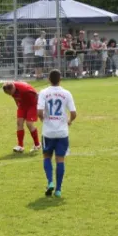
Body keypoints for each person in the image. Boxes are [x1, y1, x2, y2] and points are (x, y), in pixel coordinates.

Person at [37, 70, 77, 198]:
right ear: (60, 79)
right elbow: (73, 113)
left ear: (49, 79)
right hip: (62, 132)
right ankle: (58, 190)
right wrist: (69, 121)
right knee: (60, 159)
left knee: (46, 157)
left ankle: (50, 182)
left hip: (48, 132)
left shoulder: (43, 92)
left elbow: (39, 111)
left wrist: (44, 120)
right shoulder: (66, 93)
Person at [2, 81, 41, 153]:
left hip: (32, 105)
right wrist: (18, 106)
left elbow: (37, 95)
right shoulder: (10, 88)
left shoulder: (25, 89)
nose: (9, 94)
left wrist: (39, 108)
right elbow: (14, 97)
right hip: (22, 105)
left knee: (29, 124)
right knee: (19, 123)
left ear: (13, 88)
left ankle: (37, 144)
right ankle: (20, 146)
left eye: (9, 93)